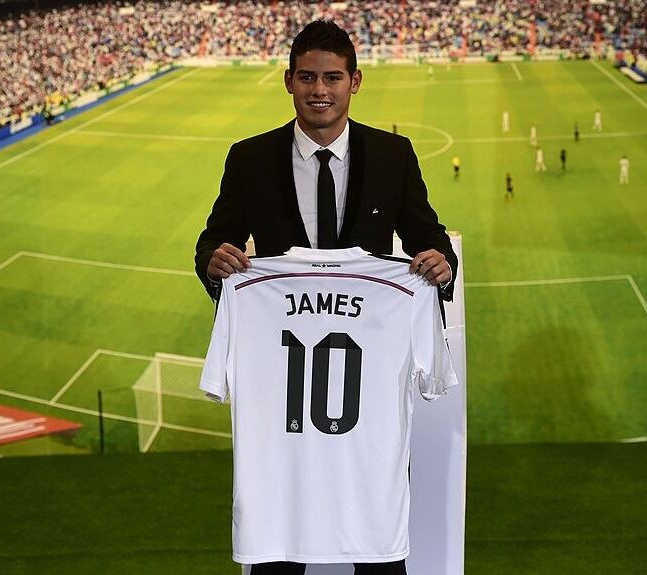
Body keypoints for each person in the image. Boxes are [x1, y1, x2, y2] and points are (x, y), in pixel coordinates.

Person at [195, 21, 457, 574]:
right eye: (308, 77)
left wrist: (440, 261)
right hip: (281, 386)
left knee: (375, 527)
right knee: (277, 537)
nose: (320, 90)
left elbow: (426, 235)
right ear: (288, 80)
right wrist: (216, 264)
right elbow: (213, 239)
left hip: (368, 392)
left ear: (354, 82)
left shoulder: (393, 154)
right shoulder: (250, 158)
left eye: (332, 78)